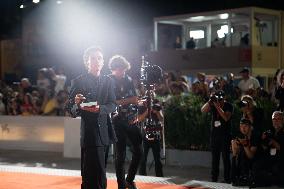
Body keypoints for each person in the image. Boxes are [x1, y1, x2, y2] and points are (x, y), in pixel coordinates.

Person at [67, 46, 116, 189]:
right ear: (87, 62)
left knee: (100, 172)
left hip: (104, 133)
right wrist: (76, 103)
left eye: (99, 58)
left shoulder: (109, 81)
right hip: (89, 134)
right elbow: (70, 109)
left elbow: (113, 104)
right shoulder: (78, 81)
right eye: (93, 58)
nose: (97, 61)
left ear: (103, 61)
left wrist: (101, 108)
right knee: (90, 173)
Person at [109, 55, 142, 189]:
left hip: (130, 119)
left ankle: (129, 179)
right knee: (120, 156)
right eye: (119, 69)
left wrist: (136, 102)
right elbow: (111, 102)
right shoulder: (108, 81)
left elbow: (134, 98)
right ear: (113, 69)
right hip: (116, 121)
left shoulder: (128, 79)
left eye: (123, 69)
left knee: (139, 151)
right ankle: (121, 185)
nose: (122, 72)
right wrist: (129, 100)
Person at [201, 90, 232, 183]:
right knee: (215, 158)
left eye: (221, 99)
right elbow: (203, 110)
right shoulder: (213, 104)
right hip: (215, 135)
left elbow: (226, 118)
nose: (219, 101)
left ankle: (227, 179)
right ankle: (214, 179)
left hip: (225, 135)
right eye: (218, 99)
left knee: (226, 158)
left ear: (224, 98)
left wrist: (217, 106)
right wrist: (210, 101)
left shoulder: (229, 106)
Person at [139, 95, 164, 177]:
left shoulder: (156, 107)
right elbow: (139, 119)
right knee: (143, 158)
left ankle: (159, 175)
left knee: (157, 159)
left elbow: (162, 119)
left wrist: (156, 112)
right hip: (145, 137)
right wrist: (147, 111)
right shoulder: (142, 108)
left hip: (155, 136)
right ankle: (142, 175)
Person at [231, 118, 260, 187]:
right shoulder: (242, 137)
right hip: (244, 166)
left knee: (243, 153)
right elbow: (237, 157)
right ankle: (238, 176)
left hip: (255, 164)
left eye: (245, 126)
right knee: (237, 155)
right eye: (241, 126)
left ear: (250, 127)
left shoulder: (255, 137)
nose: (243, 128)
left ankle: (245, 177)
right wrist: (234, 151)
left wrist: (245, 145)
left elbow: (251, 156)